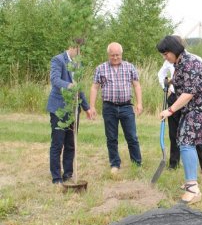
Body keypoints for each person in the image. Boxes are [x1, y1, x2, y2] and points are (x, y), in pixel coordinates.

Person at [157, 35, 202, 204]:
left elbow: (189, 93)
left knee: (186, 142)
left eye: (166, 53)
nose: (165, 57)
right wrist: (170, 82)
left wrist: (170, 110)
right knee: (184, 140)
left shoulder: (190, 63)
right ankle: (190, 180)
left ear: (175, 50)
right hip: (192, 109)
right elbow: (180, 82)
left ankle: (193, 189)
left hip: (201, 109)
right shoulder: (180, 63)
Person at [90, 42, 143, 173]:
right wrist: (91, 106)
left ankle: (137, 163)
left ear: (121, 54)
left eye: (117, 55)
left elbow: (136, 85)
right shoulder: (101, 68)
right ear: (108, 55)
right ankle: (115, 164)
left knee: (132, 136)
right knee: (111, 138)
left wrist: (139, 103)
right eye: (112, 55)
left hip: (126, 107)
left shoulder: (129, 67)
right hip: (109, 107)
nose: (115, 57)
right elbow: (95, 87)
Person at [47, 39, 91, 184]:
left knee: (71, 143)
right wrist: (70, 85)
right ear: (72, 47)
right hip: (59, 108)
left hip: (73, 109)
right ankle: (56, 178)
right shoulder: (58, 60)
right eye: (78, 49)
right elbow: (55, 80)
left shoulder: (78, 64)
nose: (80, 53)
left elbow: (79, 88)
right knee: (58, 143)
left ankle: (68, 174)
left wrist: (86, 107)